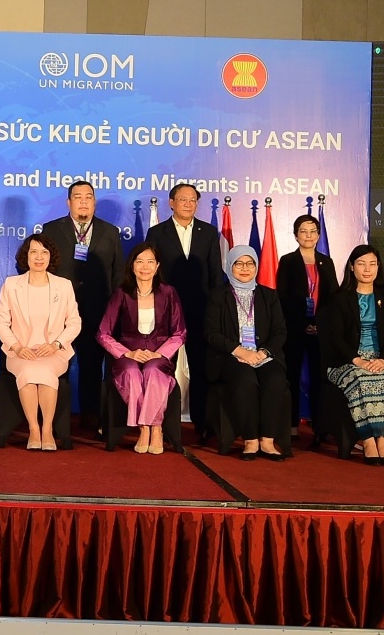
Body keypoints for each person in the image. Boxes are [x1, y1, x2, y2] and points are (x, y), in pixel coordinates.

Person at [42, 180, 123, 429]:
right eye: (78, 197)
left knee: (91, 365)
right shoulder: (51, 230)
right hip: (60, 310)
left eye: (89, 197)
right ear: (69, 202)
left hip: (97, 310)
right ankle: (56, 418)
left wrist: (114, 311)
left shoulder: (110, 232)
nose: (84, 201)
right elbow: (44, 269)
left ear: (94, 202)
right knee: (58, 363)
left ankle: (91, 416)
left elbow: (118, 274)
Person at [319, 245, 384, 465]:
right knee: (362, 379)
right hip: (346, 361)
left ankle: (383, 442)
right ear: (352, 267)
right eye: (361, 264)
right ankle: (368, 440)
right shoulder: (340, 298)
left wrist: (383, 360)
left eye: (372, 264)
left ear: (378, 267)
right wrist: (357, 360)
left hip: (379, 360)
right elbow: (335, 338)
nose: (367, 269)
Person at [144, 182, 222, 434]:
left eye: (193, 200)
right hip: (167, 311)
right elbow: (150, 272)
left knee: (201, 367)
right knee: (165, 367)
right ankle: (164, 424)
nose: (188, 204)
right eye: (183, 199)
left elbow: (215, 273)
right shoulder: (157, 233)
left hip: (201, 310)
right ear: (171, 203)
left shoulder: (208, 232)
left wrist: (215, 309)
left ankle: (203, 424)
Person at [97, 242, 186, 454]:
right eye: (139, 262)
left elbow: (180, 332)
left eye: (150, 262)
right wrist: (127, 353)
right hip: (129, 355)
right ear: (132, 265)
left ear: (157, 266)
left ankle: (155, 429)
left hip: (159, 354)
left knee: (153, 371)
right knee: (131, 373)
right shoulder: (122, 293)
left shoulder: (168, 293)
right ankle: (146, 428)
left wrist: (159, 353)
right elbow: (103, 333)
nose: (145, 267)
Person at [0, 233, 81, 451]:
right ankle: (34, 429)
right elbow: (1, 324)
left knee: (44, 371)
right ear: (26, 256)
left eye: (44, 252)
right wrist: (17, 347)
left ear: (51, 256)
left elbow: (74, 323)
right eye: (34, 252)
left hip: (54, 353)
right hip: (20, 353)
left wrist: (56, 344)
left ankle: (48, 429)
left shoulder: (63, 286)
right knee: (28, 371)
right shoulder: (11, 285)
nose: (39, 257)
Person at [205, 245, 287, 460]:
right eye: (239, 263)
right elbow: (211, 333)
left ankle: (267, 441)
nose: (245, 268)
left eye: (250, 263)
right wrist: (240, 351)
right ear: (230, 266)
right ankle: (250, 440)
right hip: (229, 356)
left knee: (276, 380)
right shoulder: (218, 295)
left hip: (263, 355)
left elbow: (280, 332)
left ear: (256, 266)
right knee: (245, 380)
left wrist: (263, 353)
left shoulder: (269, 295)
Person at [276, 214, 339, 435]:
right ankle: (291, 425)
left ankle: (321, 426)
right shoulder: (287, 261)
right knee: (291, 376)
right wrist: (303, 323)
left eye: (313, 231)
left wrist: (321, 324)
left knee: (319, 378)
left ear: (319, 235)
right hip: (295, 329)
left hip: (321, 330)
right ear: (296, 235)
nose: (308, 235)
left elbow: (333, 298)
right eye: (303, 231)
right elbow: (283, 298)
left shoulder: (326, 262)